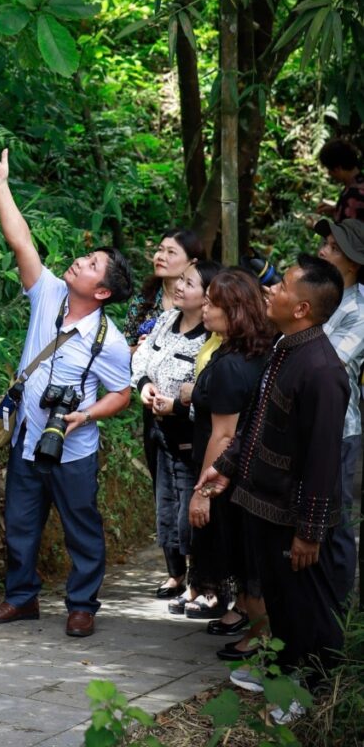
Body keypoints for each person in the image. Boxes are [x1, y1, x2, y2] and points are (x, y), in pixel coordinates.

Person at [0, 146, 133, 637]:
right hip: (28, 436)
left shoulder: (110, 341)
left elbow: (122, 394)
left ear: (102, 291)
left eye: (90, 264)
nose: (79, 262)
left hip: (73, 447)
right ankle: (21, 598)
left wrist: (85, 416)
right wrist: (1, 184)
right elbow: (20, 241)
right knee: (20, 522)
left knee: (80, 526)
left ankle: (82, 604)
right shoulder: (48, 293)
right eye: (85, 257)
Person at [197, 255, 348, 694]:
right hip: (262, 502)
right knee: (279, 602)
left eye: (281, 287)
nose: (271, 291)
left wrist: (310, 532)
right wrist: (225, 468)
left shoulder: (322, 371)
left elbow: (323, 460)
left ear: (302, 308)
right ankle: (280, 674)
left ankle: (313, 692)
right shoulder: (284, 349)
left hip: (292, 515)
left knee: (307, 607)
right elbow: (258, 422)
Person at [179, 270, 273, 656]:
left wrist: (202, 492)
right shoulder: (245, 350)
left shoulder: (233, 364)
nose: (205, 306)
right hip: (243, 474)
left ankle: (261, 636)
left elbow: (223, 435)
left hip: (228, 477)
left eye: (213, 303)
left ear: (234, 312)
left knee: (239, 556)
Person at [132, 260, 220, 600]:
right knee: (164, 500)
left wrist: (178, 405)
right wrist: (143, 385)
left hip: (189, 433)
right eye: (181, 280)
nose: (180, 286)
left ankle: (201, 580)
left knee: (189, 505)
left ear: (208, 296)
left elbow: (209, 391)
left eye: (190, 283)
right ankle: (175, 574)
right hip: (156, 428)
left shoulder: (212, 338)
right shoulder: (167, 320)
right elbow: (141, 357)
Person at [122, 229, 204, 490]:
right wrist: (142, 352)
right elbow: (128, 348)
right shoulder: (144, 301)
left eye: (171, 252)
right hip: (152, 404)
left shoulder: (205, 306)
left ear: (192, 262)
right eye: (159, 250)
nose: (160, 256)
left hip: (189, 414)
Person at [315, 218, 364, 605]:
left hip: (338, 427)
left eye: (332, 246)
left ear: (352, 261)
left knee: (336, 521)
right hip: (299, 425)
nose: (322, 250)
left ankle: (337, 610)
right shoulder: (316, 297)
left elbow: (328, 361)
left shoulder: (359, 309)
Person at [317, 139, 364, 222]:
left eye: (330, 170)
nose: (329, 174)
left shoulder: (353, 195)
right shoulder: (358, 184)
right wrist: (337, 210)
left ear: (338, 169)